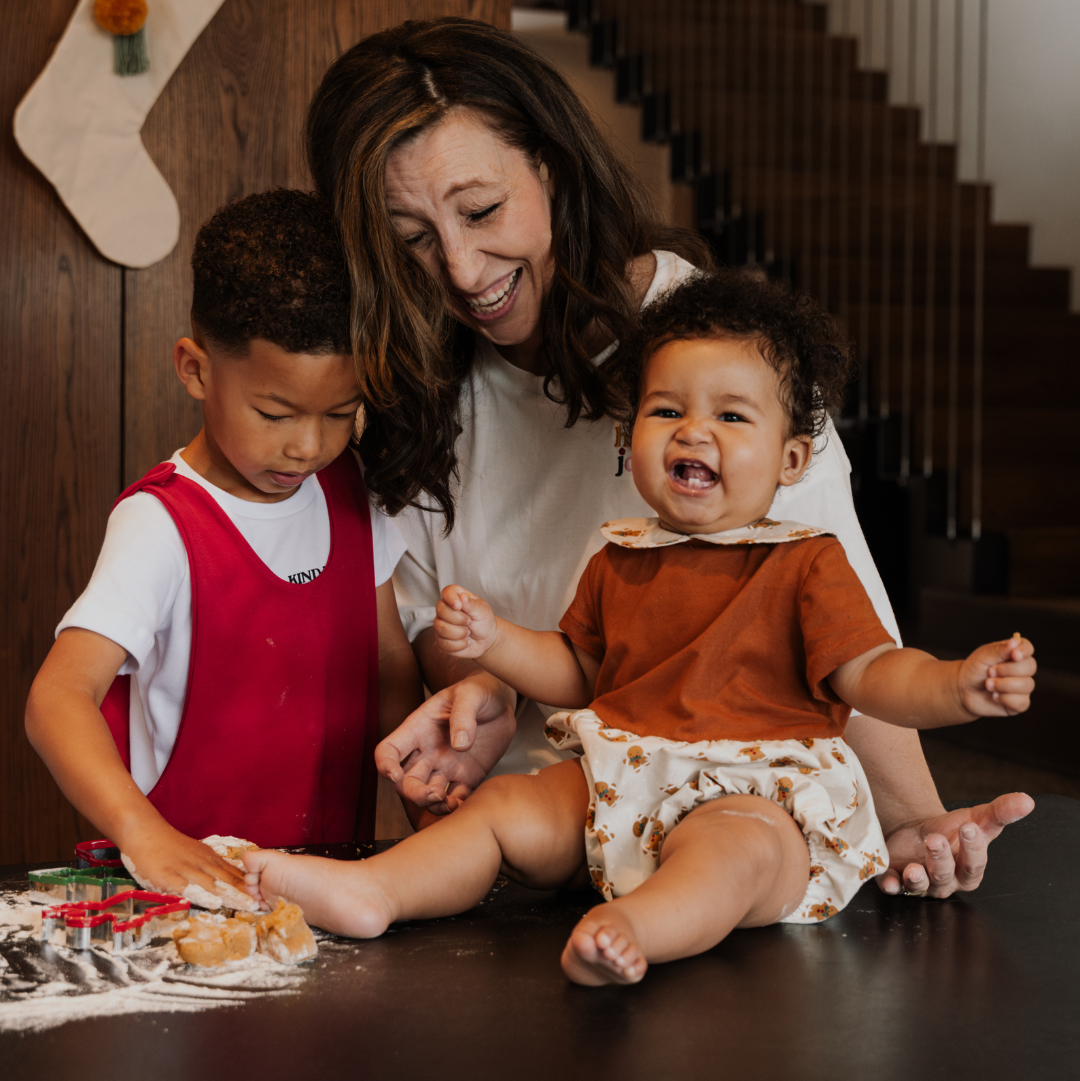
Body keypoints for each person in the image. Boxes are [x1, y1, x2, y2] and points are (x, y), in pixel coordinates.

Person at [307, 17, 1033, 897]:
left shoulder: (718, 366)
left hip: (722, 824)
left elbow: (835, 628)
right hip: (549, 837)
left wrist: (916, 820)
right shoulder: (412, 389)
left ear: (551, 165)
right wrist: (486, 695)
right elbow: (438, 626)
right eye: (412, 236)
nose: (461, 269)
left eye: (483, 210)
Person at [241, 271, 1036, 985]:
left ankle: (635, 928)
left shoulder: (806, 564)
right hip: (619, 780)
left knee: (735, 854)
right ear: (630, 438)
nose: (694, 431)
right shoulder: (622, 557)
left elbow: (873, 676)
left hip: (753, 796)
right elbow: (577, 670)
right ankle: (377, 891)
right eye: (667, 410)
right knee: (506, 810)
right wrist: (496, 643)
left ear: (792, 459)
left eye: (730, 414)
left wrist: (958, 684)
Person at [24, 190, 421, 900]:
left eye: (340, 413)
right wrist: (141, 831)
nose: (307, 445)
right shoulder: (161, 525)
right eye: (275, 412)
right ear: (196, 369)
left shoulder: (349, 488)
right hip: (188, 899)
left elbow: (390, 660)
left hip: (327, 890)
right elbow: (57, 696)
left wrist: (426, 802)